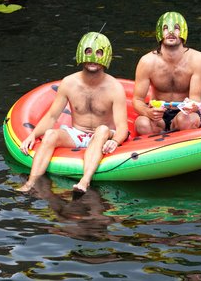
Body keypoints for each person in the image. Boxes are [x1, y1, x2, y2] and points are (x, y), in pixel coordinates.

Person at [17, 32, 128, 194]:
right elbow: (52, 116)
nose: (93, 57)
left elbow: (122, 126)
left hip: (103, 134)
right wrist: (32, 135)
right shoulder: (69, 83)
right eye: (89, 51)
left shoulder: (115, 88)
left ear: (107, 56)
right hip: (77, 133)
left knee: (102, 130)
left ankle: (84, 181)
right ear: (81, 53)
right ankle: (31, 183)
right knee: (50, 135)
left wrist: (116, 141)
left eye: (99, 52)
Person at [132, 11, 201, 134]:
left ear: (183, 32)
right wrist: (148, 112)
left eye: (176, 28)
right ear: (159, 32)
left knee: (186, 120)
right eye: (166, 28)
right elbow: (137, 100)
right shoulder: (147, 61)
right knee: (142, 124)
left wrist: (193, 106)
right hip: (158, 113)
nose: (171, 32)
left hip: (185, 113)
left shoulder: (197, 59)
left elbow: (195, 99)